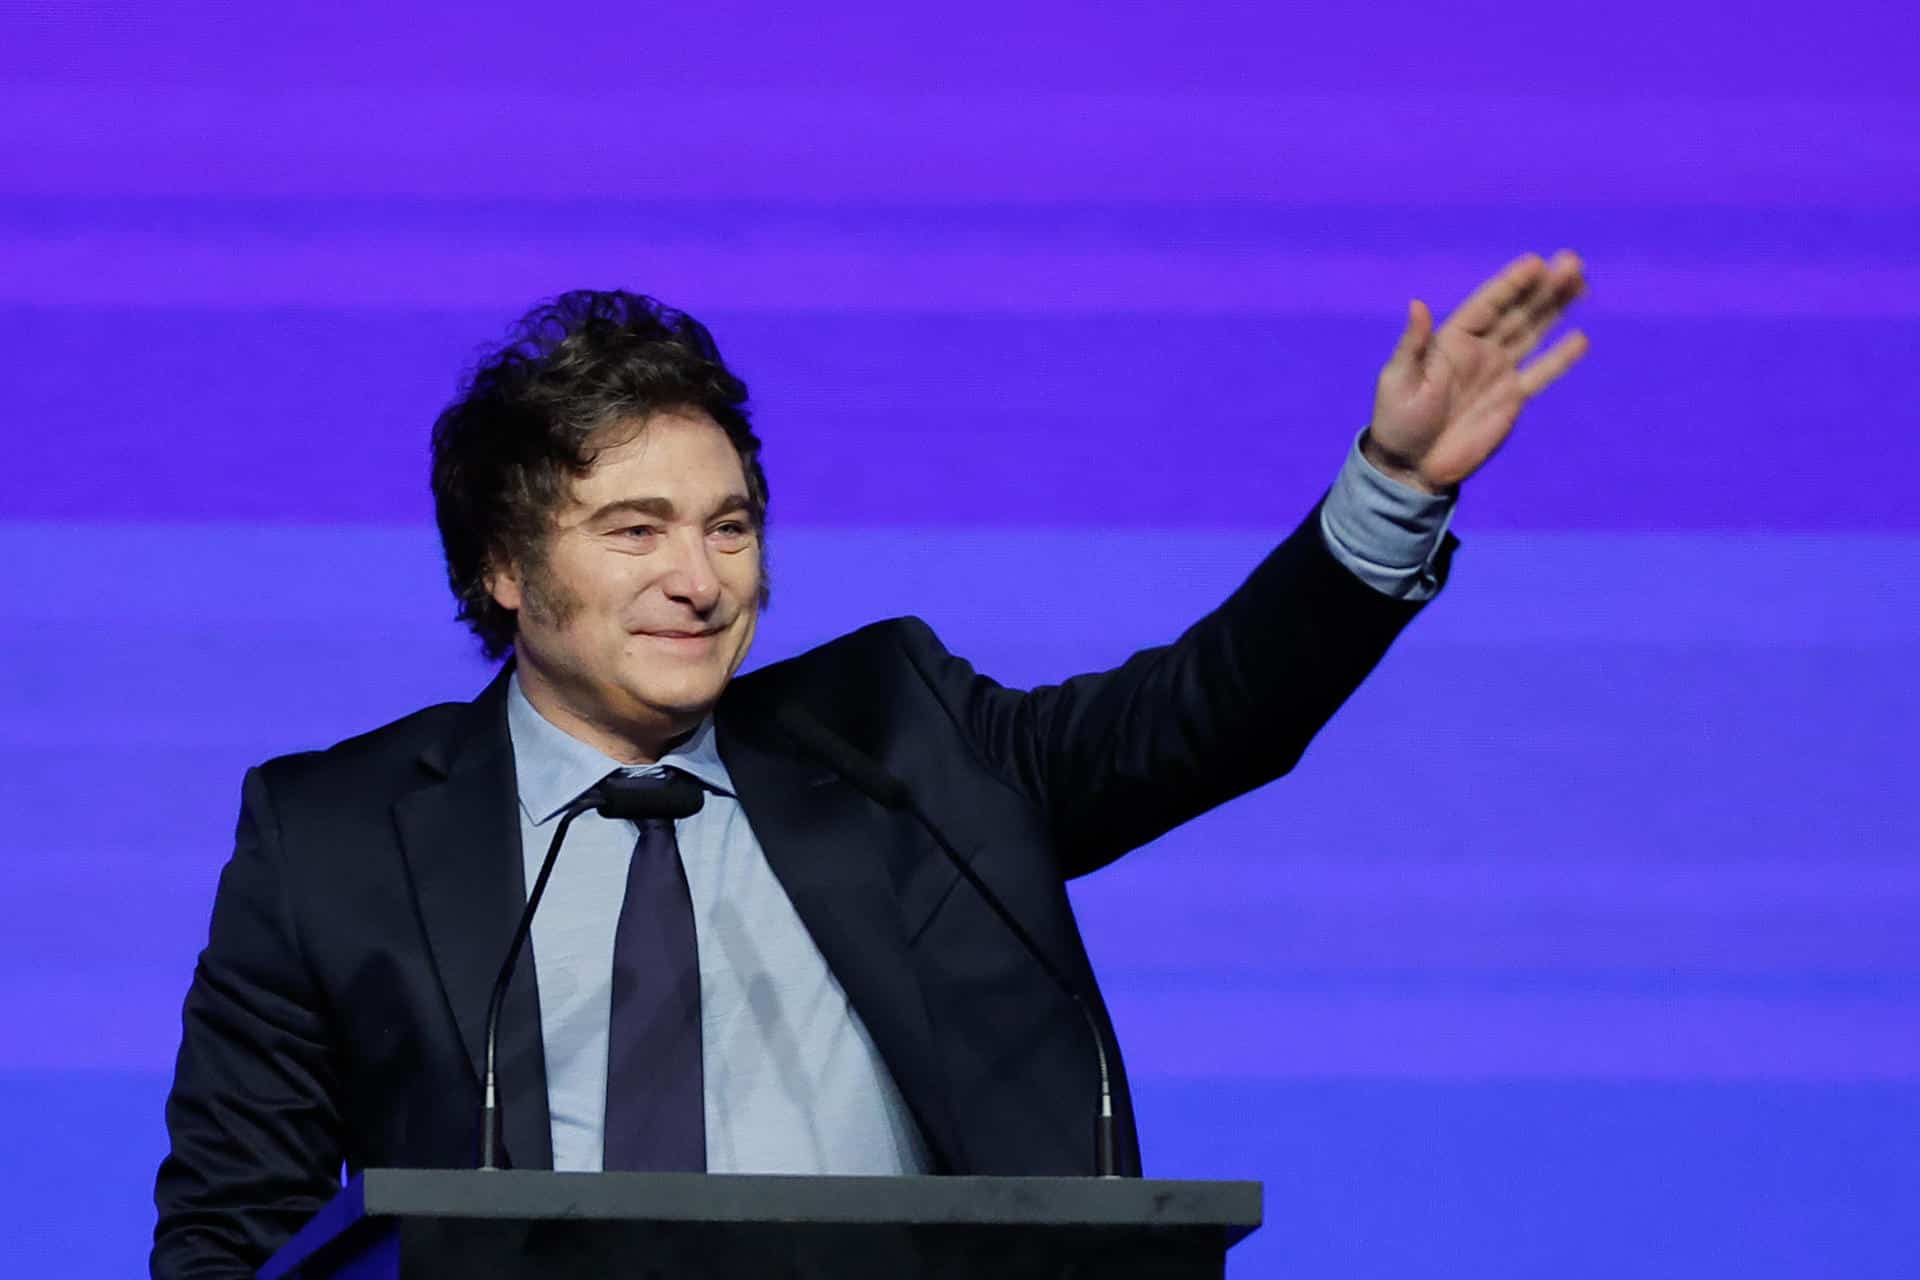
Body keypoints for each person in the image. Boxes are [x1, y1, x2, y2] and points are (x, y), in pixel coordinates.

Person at [152, 254, 1587, 1277]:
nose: (698, 579)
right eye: (635, 530)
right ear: (505, 569)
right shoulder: (332, 836)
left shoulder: (903, 744)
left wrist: (1393, 491)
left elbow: (1204, 717)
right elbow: (233, 1234)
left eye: (730, 527)